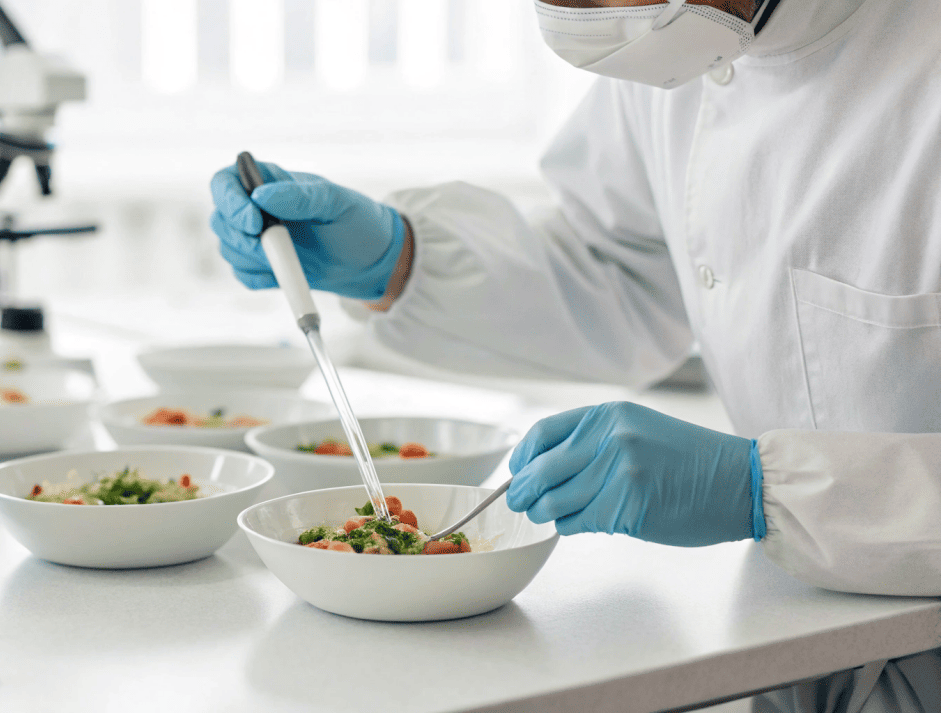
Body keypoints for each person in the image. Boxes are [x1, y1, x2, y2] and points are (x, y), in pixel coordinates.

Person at [208, 0, 941, 710]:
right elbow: (617, 267)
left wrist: (768, 489)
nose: (570, 13)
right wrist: (400, 260)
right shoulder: (682, 51)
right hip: (805, 630)